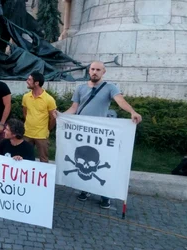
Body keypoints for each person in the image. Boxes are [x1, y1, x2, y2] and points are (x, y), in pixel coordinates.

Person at [61, 61, 142, 209]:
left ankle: (105, 196)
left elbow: (120, 101)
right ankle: (85, 190)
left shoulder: (110, 88)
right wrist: (60, 116)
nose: (94, 72)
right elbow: (74, 108)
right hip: (82, 132)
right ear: (89, 70)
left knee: (101, 163)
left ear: (103, 72)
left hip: (100, 136)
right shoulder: (80, 88)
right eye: (92, 69)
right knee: (84, 159)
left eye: (98, 70)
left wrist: (132, 112)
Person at [22, 72, 56, 163]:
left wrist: (47, 129)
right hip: (27, 133)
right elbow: (25, 113)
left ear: (36, 83)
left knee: (43, 159)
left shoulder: (49, 99)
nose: (27, 81)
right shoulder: (26, 97)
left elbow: (53, 118)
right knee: (25, 158)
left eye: (29, 80)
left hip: (42, 135)